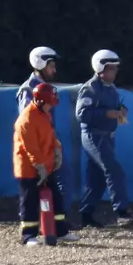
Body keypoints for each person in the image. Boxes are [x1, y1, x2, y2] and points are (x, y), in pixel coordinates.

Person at [75, 49, 133, 228]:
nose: (115, 72)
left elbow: (115, 105)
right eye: (111, 69)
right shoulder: (90, 88)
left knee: (97, 177)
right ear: (101, 68)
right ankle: (122, 212)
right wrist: (106, 114)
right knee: (114, 171)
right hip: (94, 136)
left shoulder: (111, 88)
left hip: (106, 137)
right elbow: (82, 114)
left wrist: (121, 109)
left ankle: (85, 214)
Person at [14, 83, 79, 246]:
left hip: (46, 165)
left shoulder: (45, 114)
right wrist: (39, 166)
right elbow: (31, 147)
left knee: (56, 198)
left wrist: (57, 149)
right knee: (29, 200)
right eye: (50, 103)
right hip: (28, 168)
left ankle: (60, 231)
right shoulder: (27, 119)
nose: (52, 107)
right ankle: (28, 235)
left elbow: (50, 136)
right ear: (41, 102)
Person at [16, 46, 60, 116]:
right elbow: (27, 121)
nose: (54, 70)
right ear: (40, 65)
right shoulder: (28, 90)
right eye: (51, 66)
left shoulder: (48, 88)